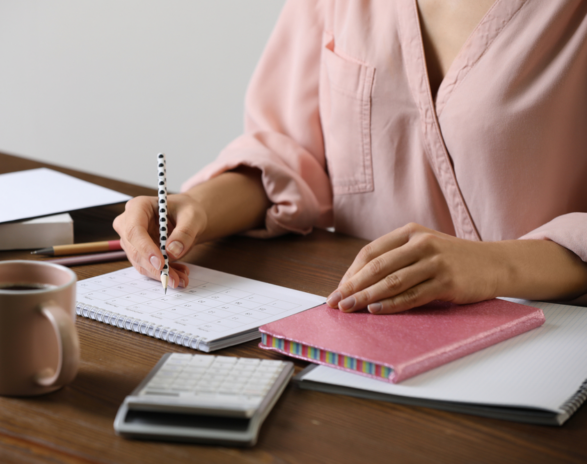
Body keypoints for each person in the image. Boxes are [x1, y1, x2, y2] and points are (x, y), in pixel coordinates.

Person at [114, 0, 587, 315]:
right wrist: (198, 208)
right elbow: (294, 152)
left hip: (552, 340)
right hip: (368, 336)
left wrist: (492, 267)